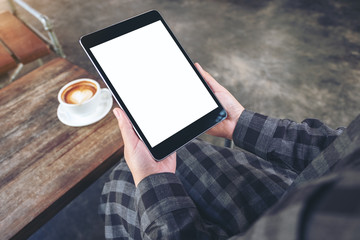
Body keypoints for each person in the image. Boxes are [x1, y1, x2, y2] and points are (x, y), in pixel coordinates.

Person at [99, 63, 360, 239]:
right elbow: (346, 147)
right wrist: (240, 122)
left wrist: (151, 182)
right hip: (304, 190)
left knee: (124, 185)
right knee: (179, 150)